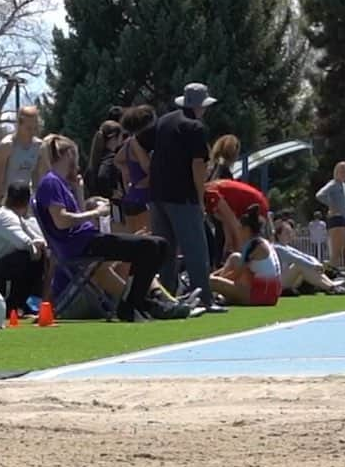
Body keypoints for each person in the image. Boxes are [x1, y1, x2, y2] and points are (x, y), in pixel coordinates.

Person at [34, 134, 169, 321]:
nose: (77, 161)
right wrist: (96, 213)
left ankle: (134, 302)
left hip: (85, 240)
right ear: (66, 155)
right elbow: (62, 221)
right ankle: (133, 304)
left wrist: (79, 191)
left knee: (159, 245)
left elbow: (74, 218)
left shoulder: (61, 183)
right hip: (81, 245)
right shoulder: (51, 182)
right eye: (74, 155)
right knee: (151, 247)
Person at [140, 83, 227, 312]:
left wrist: (150, 169)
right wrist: (200, 198)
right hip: (182, 196)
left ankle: (167, 300)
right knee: (196, 249)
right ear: (201, 106)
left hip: (158, 195)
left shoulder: (164, 121)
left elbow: (136, 143)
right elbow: (198, 165)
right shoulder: (195, 128)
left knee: (165, 250)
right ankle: (204, 299)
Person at [0, 181, 47, 315]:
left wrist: (42, 244)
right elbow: (23, 243)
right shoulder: (7, 217)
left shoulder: (11, 215)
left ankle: (16, 304)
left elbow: (32, 234)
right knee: (27, 258)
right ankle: (14, 305)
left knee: (31, 256)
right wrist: (37, 247)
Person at [209, 205, 281, 306]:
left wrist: (215, 281)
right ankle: (222, 296)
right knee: (235, 257)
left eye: (240, 228)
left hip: (260, 297)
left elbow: (236, 275)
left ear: (246, 229)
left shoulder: (251, 246)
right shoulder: (262, 242)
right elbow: (239, 266)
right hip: (271, 296)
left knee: (212, 282)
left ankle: (215, 296)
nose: (238, 231)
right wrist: (214, 274)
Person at [273, 219, 345, 295]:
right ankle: (331, 287)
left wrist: (316, 263)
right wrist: (313, 265)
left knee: (307, 265)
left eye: (291, 232)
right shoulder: (276, 248)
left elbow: (305, 256)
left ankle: (332, 285)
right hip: (277, 283)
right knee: (300, 265)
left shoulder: (286, 247)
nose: (290, 235)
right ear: (278, 235)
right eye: (287, 233)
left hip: (286, 280)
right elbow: (296, 258)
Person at [0, 106, 46, 208]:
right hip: (8, 201)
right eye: (29, 128)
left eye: (35, 128)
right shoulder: (7, 145)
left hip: (27, 201)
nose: (32, 132)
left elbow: (37, 178)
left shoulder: (39, 146)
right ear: (20, 124)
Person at [204, 178, 270, 262]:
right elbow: (226, 221)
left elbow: (234, 224)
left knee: (248, 247)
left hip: (255, 205)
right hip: (248, 206)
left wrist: (239, 253)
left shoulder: (209, 194)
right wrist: (228, 244)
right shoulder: (210, 195)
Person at [114, 105, 156, 235]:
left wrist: (126, 171)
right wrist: (147, 179)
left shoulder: (128, 143)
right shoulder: (137, 143)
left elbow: (117, 160)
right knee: (148, 241)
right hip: (144, 198)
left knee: (135, 242)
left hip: (132, 196)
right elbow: (149, 168)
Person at [316, 161, 345, 273]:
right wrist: (332, 206)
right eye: (341, 170)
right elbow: (320, 195)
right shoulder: (333, 183)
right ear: (336, 172)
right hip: (336, 220)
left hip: (344, 219)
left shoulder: (343, 185)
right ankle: (322, 274)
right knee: (336, 253)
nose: (343, 173)